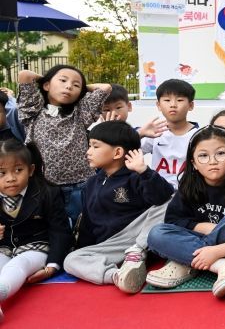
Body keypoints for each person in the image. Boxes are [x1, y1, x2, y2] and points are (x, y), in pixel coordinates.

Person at [146, 126, 225, 298]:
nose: (212, 161)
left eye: (220, 154)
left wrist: (217, 251)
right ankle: (222, 266)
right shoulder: (189, 187)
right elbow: (173, 221)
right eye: (203, 156)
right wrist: (206, 227)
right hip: (203, 242)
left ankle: (188, 261)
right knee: (156, 233)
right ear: (193, 163)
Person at [63, 121, 174, 293]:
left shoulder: (136, 177)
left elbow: (162, 196)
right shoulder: (92, 183)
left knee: (170, 199)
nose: (88, 151)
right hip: (112, 246)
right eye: (89, 146)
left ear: (117, 152)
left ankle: (137, 253)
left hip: (139, 238)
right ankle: (119, 275)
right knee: (71, 260)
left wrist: (144, 171)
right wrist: (84, 250)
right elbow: (87, 224)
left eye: (95, 146)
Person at [17, 66, 111, 222]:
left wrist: (83, 88)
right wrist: (47, 79)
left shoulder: (80, 113)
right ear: (46, 85)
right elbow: (24, 75)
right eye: (63, 80)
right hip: (43, 186)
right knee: (50, 228)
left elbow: (106, 88)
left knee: (81, 225)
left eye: (76, 85)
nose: (68, 86)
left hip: (79, 185)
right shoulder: (33, 111)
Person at [0, 140, 73, 321]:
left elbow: (60, 231)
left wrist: (52, 266)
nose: (10, 178)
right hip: (4, 248)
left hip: (36, 247)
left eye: (18, 170)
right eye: (2, 173)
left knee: (19, 264)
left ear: (31, 170)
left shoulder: (47, 193)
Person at [139, 79, 198, 189]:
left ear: (191, 105)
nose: (173, 105)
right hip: (158, 191)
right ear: (158, 105)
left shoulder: (199, 136)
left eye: (180, 100)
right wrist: (140, 134)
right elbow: (127, 151)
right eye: (167, 100)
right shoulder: (155, 133)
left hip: (188, 193)